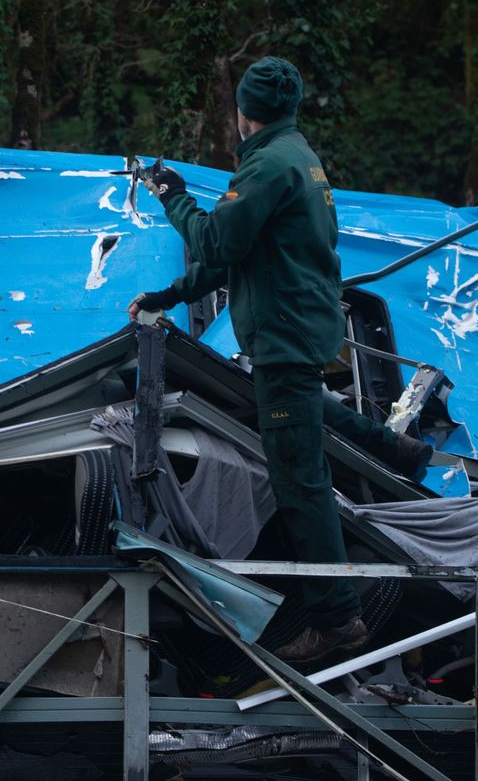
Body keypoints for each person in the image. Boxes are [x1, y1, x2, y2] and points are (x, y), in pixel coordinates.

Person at [128, 56, 366, 665]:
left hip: (284, 336)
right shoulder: (300, 157)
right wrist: (171, 295)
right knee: (304, 418)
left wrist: (172, 197)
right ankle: (397, 449)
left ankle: (336, 621)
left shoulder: (265, 165)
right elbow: (243, 253)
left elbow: (217, 241)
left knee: (299, 480)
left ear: (244, 112)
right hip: (301, 329)